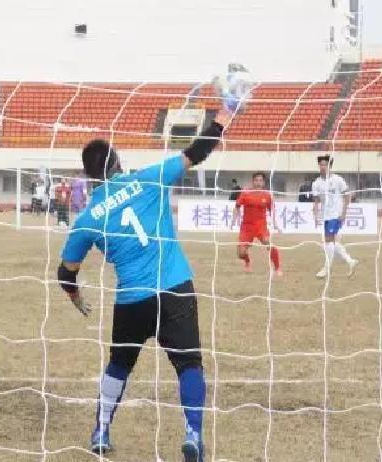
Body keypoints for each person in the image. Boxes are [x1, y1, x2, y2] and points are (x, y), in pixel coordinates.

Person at [57, 107, 232, 462]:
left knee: (119, 365)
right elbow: (196, 152)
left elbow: (66, 271)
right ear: (118, 162)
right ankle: (193, 434)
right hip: (174, 287)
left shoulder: (88, 218)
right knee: (189, 364)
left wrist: (75, 296)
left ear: (88, 175)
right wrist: (221, 120)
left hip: (132, 299)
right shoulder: (149, 178)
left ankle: (101, 430)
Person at [312, 155, 358, 278]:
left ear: (330, 166)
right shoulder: (316, 183)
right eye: (321, 164)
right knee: (331, 242)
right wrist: (315, 215)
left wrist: (344, 213)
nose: (323, 167)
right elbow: (316, 201)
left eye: (325, 165)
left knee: (328, 240)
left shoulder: (338, 180)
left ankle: (326, 268)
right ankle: (350, 261)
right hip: (325, 215)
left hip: (335, 215)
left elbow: (347, 195)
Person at [233, 172, 281, 275]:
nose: (258, 183)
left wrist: (275, 224)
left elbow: (272, 210)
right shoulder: (245, 192)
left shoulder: (267, 195)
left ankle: (277, 268)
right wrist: (233, 221)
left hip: (261, 226)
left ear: (263, 183)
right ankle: (247, 261)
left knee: (269, 244)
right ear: (253, 181)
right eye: (256, 180)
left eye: (260, 181)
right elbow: (237, 206)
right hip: (247, 227)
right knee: (241, 253)